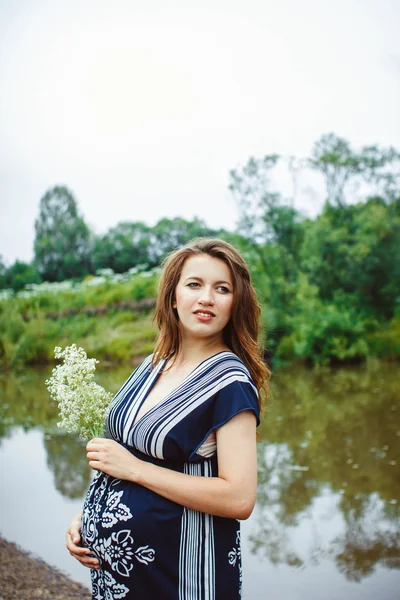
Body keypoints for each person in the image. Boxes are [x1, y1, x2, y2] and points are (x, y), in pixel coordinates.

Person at [66, 237, 270, 600]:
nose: (206, 297)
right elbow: (124, 458)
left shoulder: (230, 382)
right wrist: (90, 518)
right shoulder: (153, 364)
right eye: (194, 284)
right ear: (173, 296)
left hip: (181, 578)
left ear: (235, 302)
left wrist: (135, 471)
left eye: (221, 289)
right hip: (121, 577)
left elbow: (239, 498)